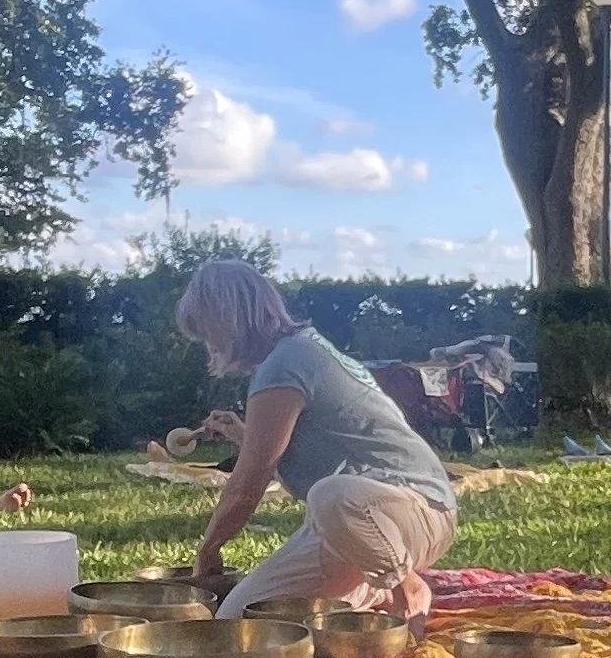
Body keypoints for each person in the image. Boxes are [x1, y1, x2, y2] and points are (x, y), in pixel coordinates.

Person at [174, 261, 458, 618]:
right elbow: (297, 460)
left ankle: (407, 586)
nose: (209, 345)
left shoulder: (286, 363)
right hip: (360, 529)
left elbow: (248, 484)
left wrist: (209, 548)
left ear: (226, 318)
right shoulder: (298, 351)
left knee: (331, 495)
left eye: (206, 332)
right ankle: (370, 593)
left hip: (413, 512)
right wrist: (244, 437)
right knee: (239, 619)